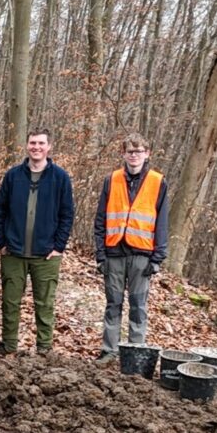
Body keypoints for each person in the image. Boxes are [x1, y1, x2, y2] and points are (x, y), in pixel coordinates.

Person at [0, 129, 75, 356]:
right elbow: (0, 210)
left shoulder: (60, 177)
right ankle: (8, 345)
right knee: (10, 302)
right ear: (27, 146)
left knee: (45, 304)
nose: (36, 147)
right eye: (32, 143)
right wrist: (0, 241)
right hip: (13, 252)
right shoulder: (13, 176)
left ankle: (45, 348)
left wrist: (58, 246)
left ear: (49, 147)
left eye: (41, 143)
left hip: (45, 254)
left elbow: (67, 214)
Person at [93, 134, 169, 364]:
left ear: (147, 154)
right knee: (113, 303)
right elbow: (100, 219)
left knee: (138, 305)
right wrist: (100, 254)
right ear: (123, 154)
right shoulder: (112, 179)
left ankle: (135, 353)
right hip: (114, 252)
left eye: (138, 151)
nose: (134, 155)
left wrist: (158, 258)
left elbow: (162, 222)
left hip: (142, 256)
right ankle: (109, 350)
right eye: (130, 151)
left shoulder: (157, 182)